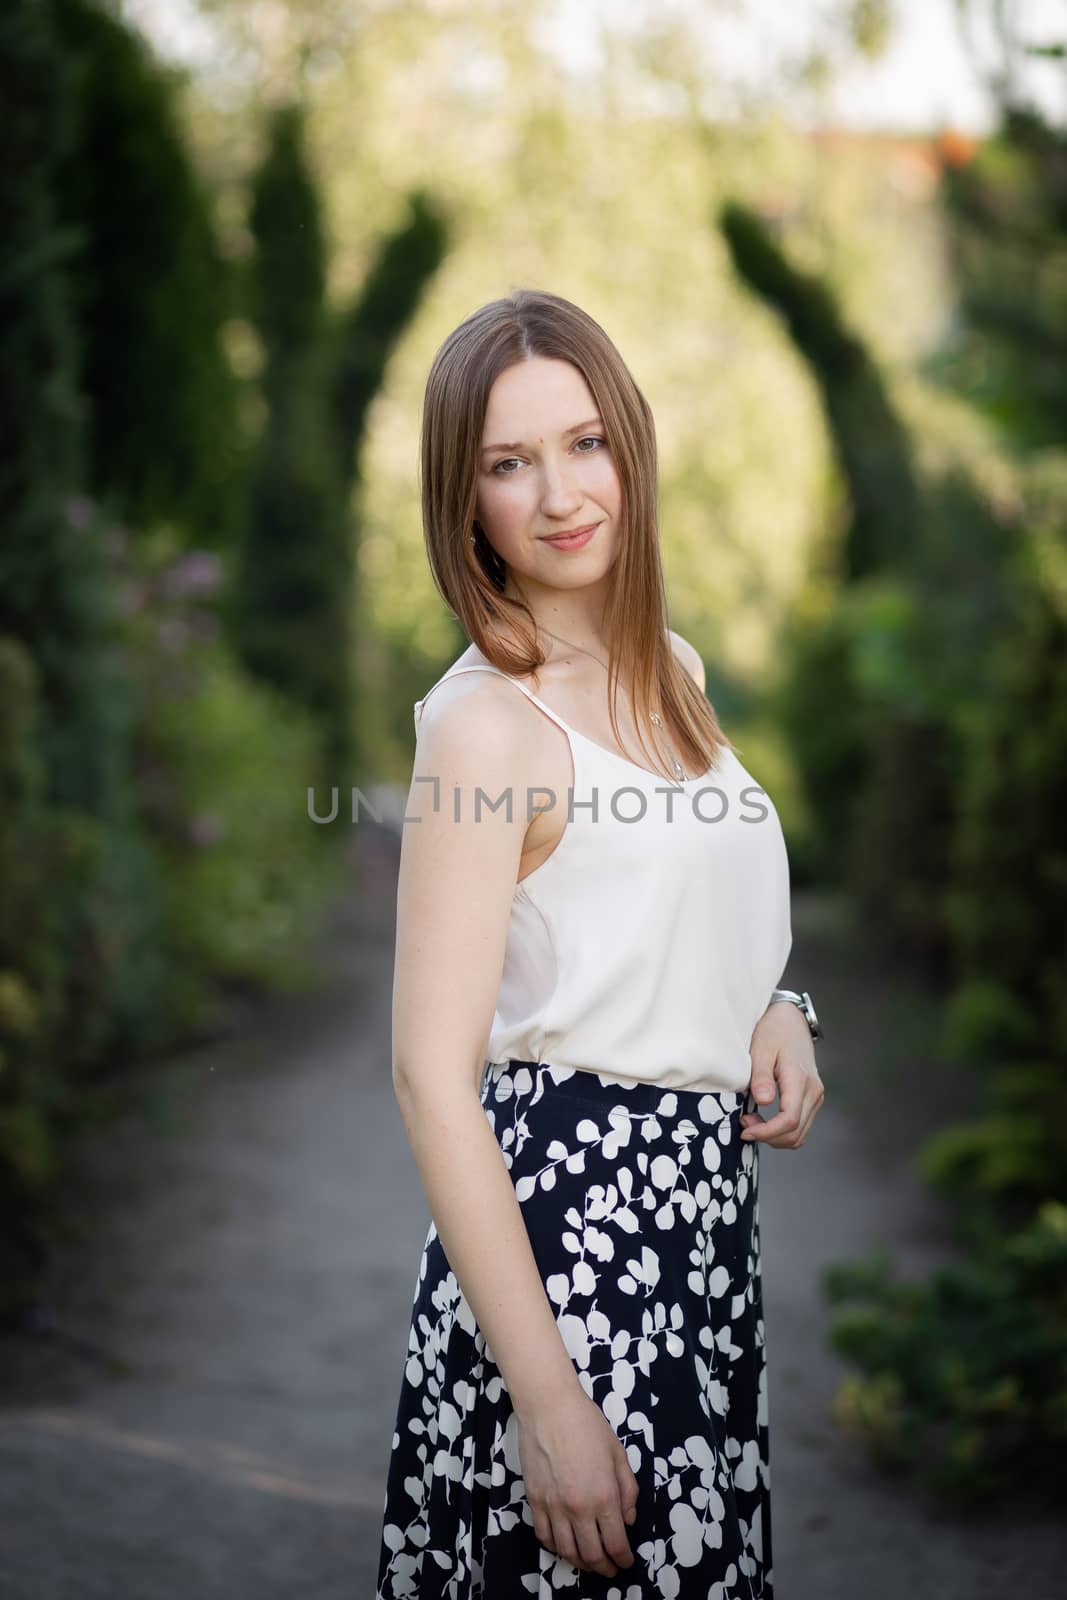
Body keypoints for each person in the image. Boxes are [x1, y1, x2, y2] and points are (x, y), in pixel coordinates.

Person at [375, 288, 825, 1599]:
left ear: (629, 447)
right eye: (509, 464)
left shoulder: (668, 671)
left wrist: (777, 1001)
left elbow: (686, 908)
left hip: (696, 1237)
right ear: (466, 506)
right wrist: (553, 1404)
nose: (562, 493)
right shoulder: (483, 731)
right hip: (565, 1254)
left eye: (585, 444)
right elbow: (429, 1079)